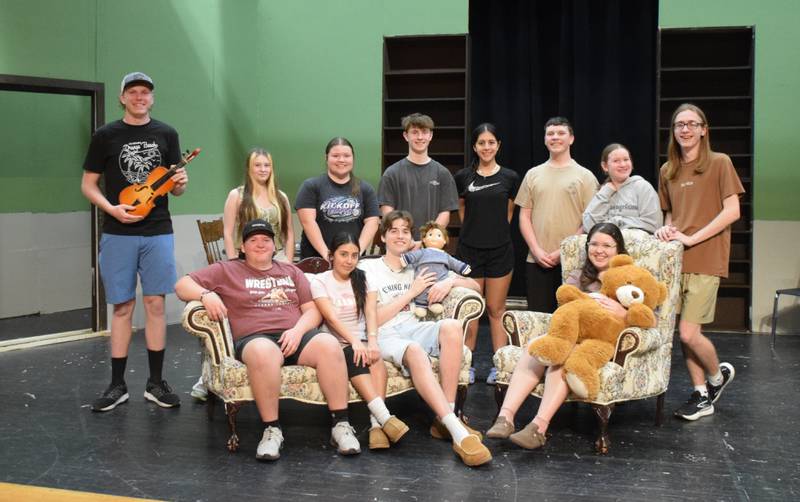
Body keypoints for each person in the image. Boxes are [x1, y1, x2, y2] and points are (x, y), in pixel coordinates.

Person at [175, 219, 361, 460]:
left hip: (294, 335)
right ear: (242, 247)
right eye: (253, 240)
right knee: (265, 352)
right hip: (255, 337)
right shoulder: (226, 270)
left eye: (266, 240)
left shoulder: (291, 271)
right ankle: (272, 430)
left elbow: (312, 310)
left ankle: (341, 425)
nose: (260, 244)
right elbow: (181, 285)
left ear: (275, 246)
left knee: (328, 345)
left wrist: (297, 331)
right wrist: (206, 294)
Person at [81, 71, 187, 412]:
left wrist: (182, 182)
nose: (140, 97)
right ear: (122, 97)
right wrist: (112, 208)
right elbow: (88, 184)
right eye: (133, 92)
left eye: (145, 92)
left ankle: (155, 383)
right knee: (123, 306)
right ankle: (117, 385)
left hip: (158, 229)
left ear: (152, 98)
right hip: (117, 231)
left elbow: (176, 187)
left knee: (156, 304)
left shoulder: (167, 134)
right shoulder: (105, 135)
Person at [359, 211, 492, 467]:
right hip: (385, 332)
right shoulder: (368, 268)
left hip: (413, 325)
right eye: (394, 230)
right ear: (383, 236)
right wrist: (412, 292)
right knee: (414, 350)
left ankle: (444, 418)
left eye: (405, 231)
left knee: (452, 327)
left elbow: (475, 286)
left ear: (412, 237)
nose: (400, 236)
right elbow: (374, 318)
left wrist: (451, 281)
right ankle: (457, 431)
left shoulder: (419, 263)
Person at [486, 223, 629, 449]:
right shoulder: (578, 276)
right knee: (536, 344)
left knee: (563, 359)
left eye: (607, 246)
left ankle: (538, 428)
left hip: (599, 345)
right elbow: (564, 310)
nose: (599, 250)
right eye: (594, 244)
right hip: (570, 336)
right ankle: (505, 417)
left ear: (618, 249)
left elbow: (651, 315)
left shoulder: (628, 279)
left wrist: (624, 312)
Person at [656, 103, 743, 421]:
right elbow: (670, 214)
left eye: (693, 124)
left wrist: (693, 238)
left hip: (706, 258)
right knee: (683, 331)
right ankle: (701, 394)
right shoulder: (668, 170)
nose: (686, 129)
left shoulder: (720, 163)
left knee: (689, 334)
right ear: (674, 131)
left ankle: (717, 378)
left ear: (704, 129)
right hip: (676, 259)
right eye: (680, 124)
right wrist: (667, 228)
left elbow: (732, 211)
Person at [310, 232, 409, 450]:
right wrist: (355, 341)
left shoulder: (364, 277)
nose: (349, 260)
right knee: (356, 355)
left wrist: (372, 341)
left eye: (354, 255)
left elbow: (371, 313)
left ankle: (376, 426)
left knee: (374, 358)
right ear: (331, 256)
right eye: (343, 254)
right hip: (333, 342)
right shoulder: (320, 281)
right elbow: (331, 318)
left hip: (362, 338)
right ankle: (385, 418)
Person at [453, 123, 520, 385]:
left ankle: (499, 366)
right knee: (471, 309)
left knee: (495, 308)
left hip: (500, 251)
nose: (486, 147)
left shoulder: (510, 177)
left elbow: (509, 213)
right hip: (469, 252)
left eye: (491, 142)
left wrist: (493, 233)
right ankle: (466, 364)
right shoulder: (462, 177)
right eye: (482, 143)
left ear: (498, 145)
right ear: (474, 147)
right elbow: (461, 210)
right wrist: (475, 232)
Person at [515, 116, 598, 313]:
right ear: (545, 139)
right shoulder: (533, 174)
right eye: (550, 133)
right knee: (538, 318)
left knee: (570, 319)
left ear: (571, 139)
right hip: (536, 260)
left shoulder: (585, 176)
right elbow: (524, 216)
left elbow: (590, 222)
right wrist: (535, 249)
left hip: (573, 260)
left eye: (561, 133)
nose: (555, 137)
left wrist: (563, 251)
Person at [377, 113, 459, 242]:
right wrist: (403, 239)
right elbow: (387, 214)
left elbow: (445, 214)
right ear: (406, 136)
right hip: (400, 246)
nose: (420, 137)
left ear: (430, 135)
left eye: (424, 132)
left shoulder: (443, 173)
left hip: (430, 247)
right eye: (415, 132)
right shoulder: (391, 173)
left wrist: (426, 241)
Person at [295, 137, 380, 259]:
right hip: (317, 260)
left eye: (346, 156)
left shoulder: (366, 189)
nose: (341, 160)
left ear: (353, 158)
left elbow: (372, 222)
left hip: (352, 262)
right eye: (335, 156)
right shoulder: (311, 186)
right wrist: (326, 254)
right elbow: (308, 222)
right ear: (326, 158)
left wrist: (356, 253)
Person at [223, 147, 294, 262]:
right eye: (257, 165)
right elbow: (228, 233)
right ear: (249, 168)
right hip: (246, 259)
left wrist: (289, 261)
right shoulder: (236, 195)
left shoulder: (281, 197)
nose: (263, 169)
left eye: (267, 165)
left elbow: (289, 233)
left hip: (277, 257)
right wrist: (232, 263)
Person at [582, 143, 662, 233]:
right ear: (604, 166)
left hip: (636, 245)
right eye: (616, 161)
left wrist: (616, 222)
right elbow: (589, 226)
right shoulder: (602, 192)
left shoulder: (642, 187)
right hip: (607, 246)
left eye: (626, 159)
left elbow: (653, 225)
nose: (623, 164)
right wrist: (605, 193)